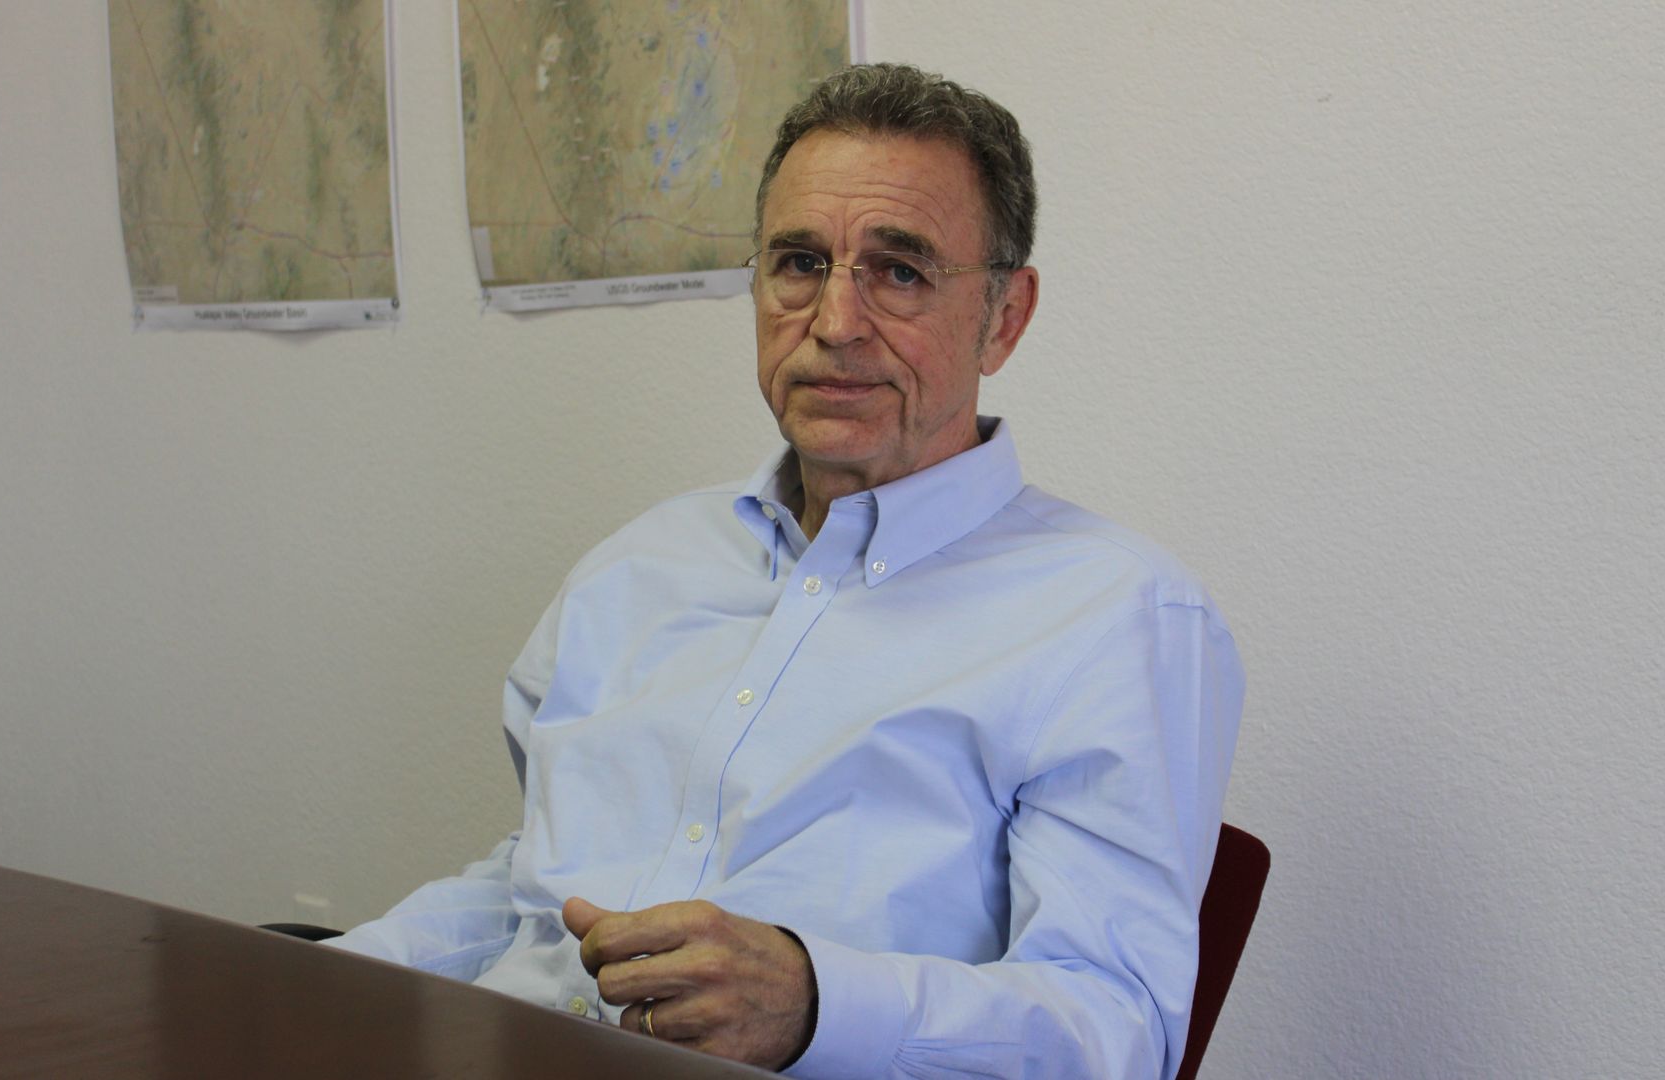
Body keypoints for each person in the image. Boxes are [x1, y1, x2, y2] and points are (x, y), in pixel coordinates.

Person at [328, 63, 1243, 1080]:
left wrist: (816, 1005)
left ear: (1005, 317)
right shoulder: (637, 568)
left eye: (901, 272)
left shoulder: (1116, 618)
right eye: (800, 262)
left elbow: (1115, 1032)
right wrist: (313, 983)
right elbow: (530, 891)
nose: (836, 322)